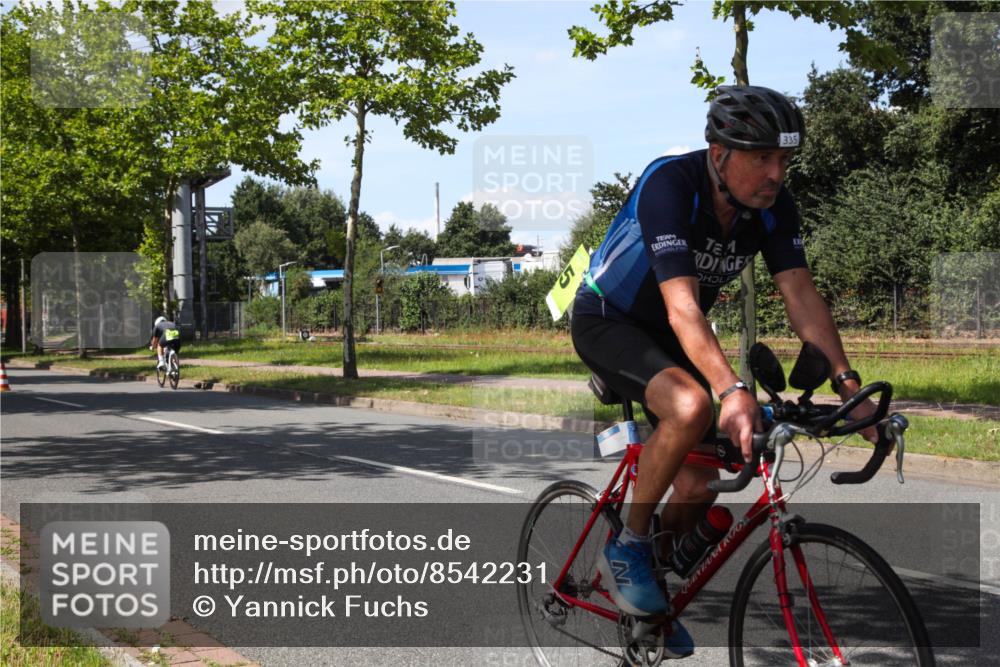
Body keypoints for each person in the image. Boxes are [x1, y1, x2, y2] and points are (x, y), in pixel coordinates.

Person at [571, 85, 878, 654]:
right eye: (762, 158)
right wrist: (730, 388)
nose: (776, 174)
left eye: (784, 160)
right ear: (719, 153)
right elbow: (682, 306)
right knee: (692, 406)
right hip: (610, 320)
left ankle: (651, 593)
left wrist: (848, 387)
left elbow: (801, 293)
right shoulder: (670, 184)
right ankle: (628, 547)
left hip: (675, 333)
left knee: (698, 481)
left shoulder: (770, 206)